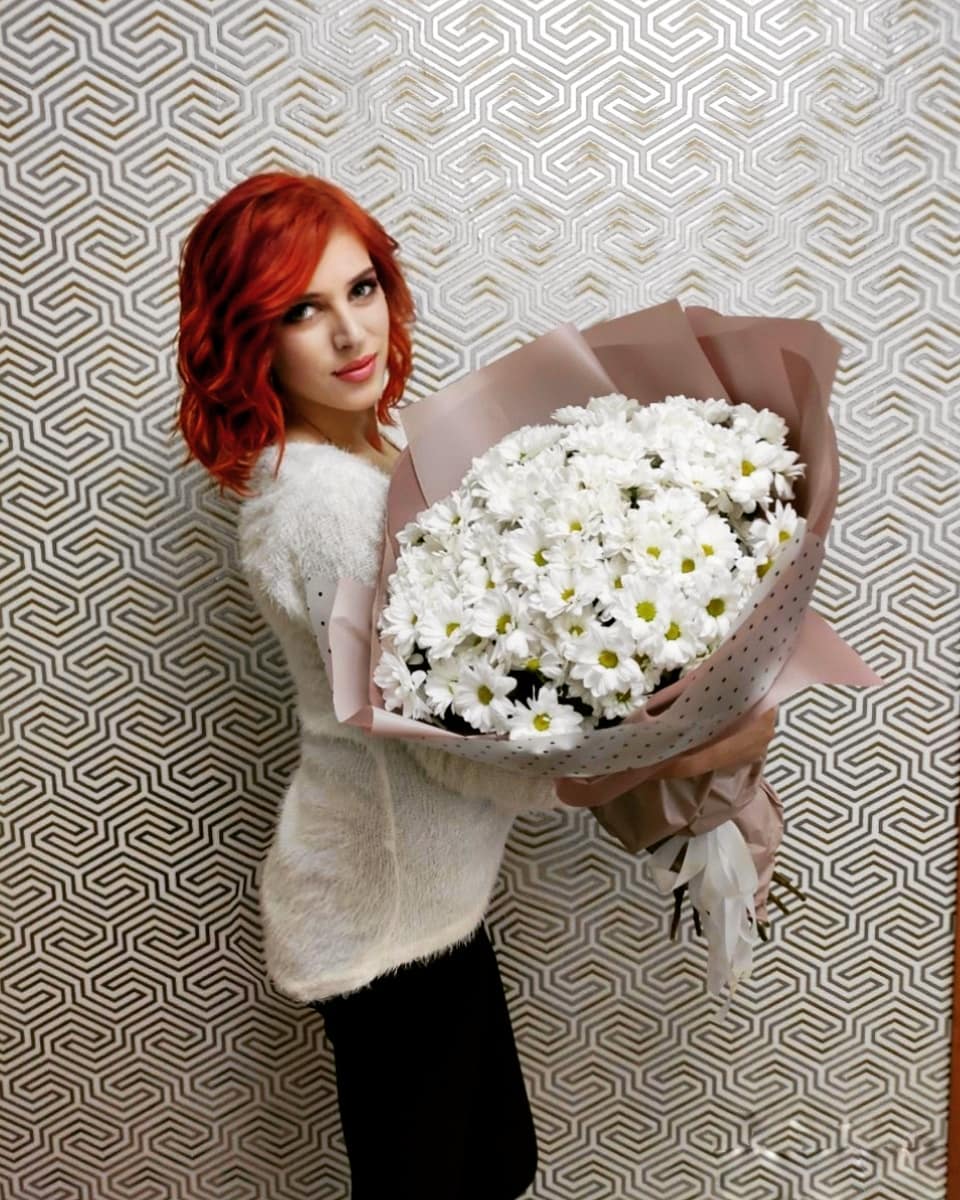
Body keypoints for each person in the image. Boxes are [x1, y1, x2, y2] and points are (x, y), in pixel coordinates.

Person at [174, 171, 779, 1198]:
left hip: (423, 896)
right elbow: (436, 745)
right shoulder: (319, 503)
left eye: (361, 288)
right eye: (299, 311)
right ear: (248, 340)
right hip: (378, 909)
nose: (349, 332)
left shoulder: (376, 453)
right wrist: (637, 759)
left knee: (496, 1163)